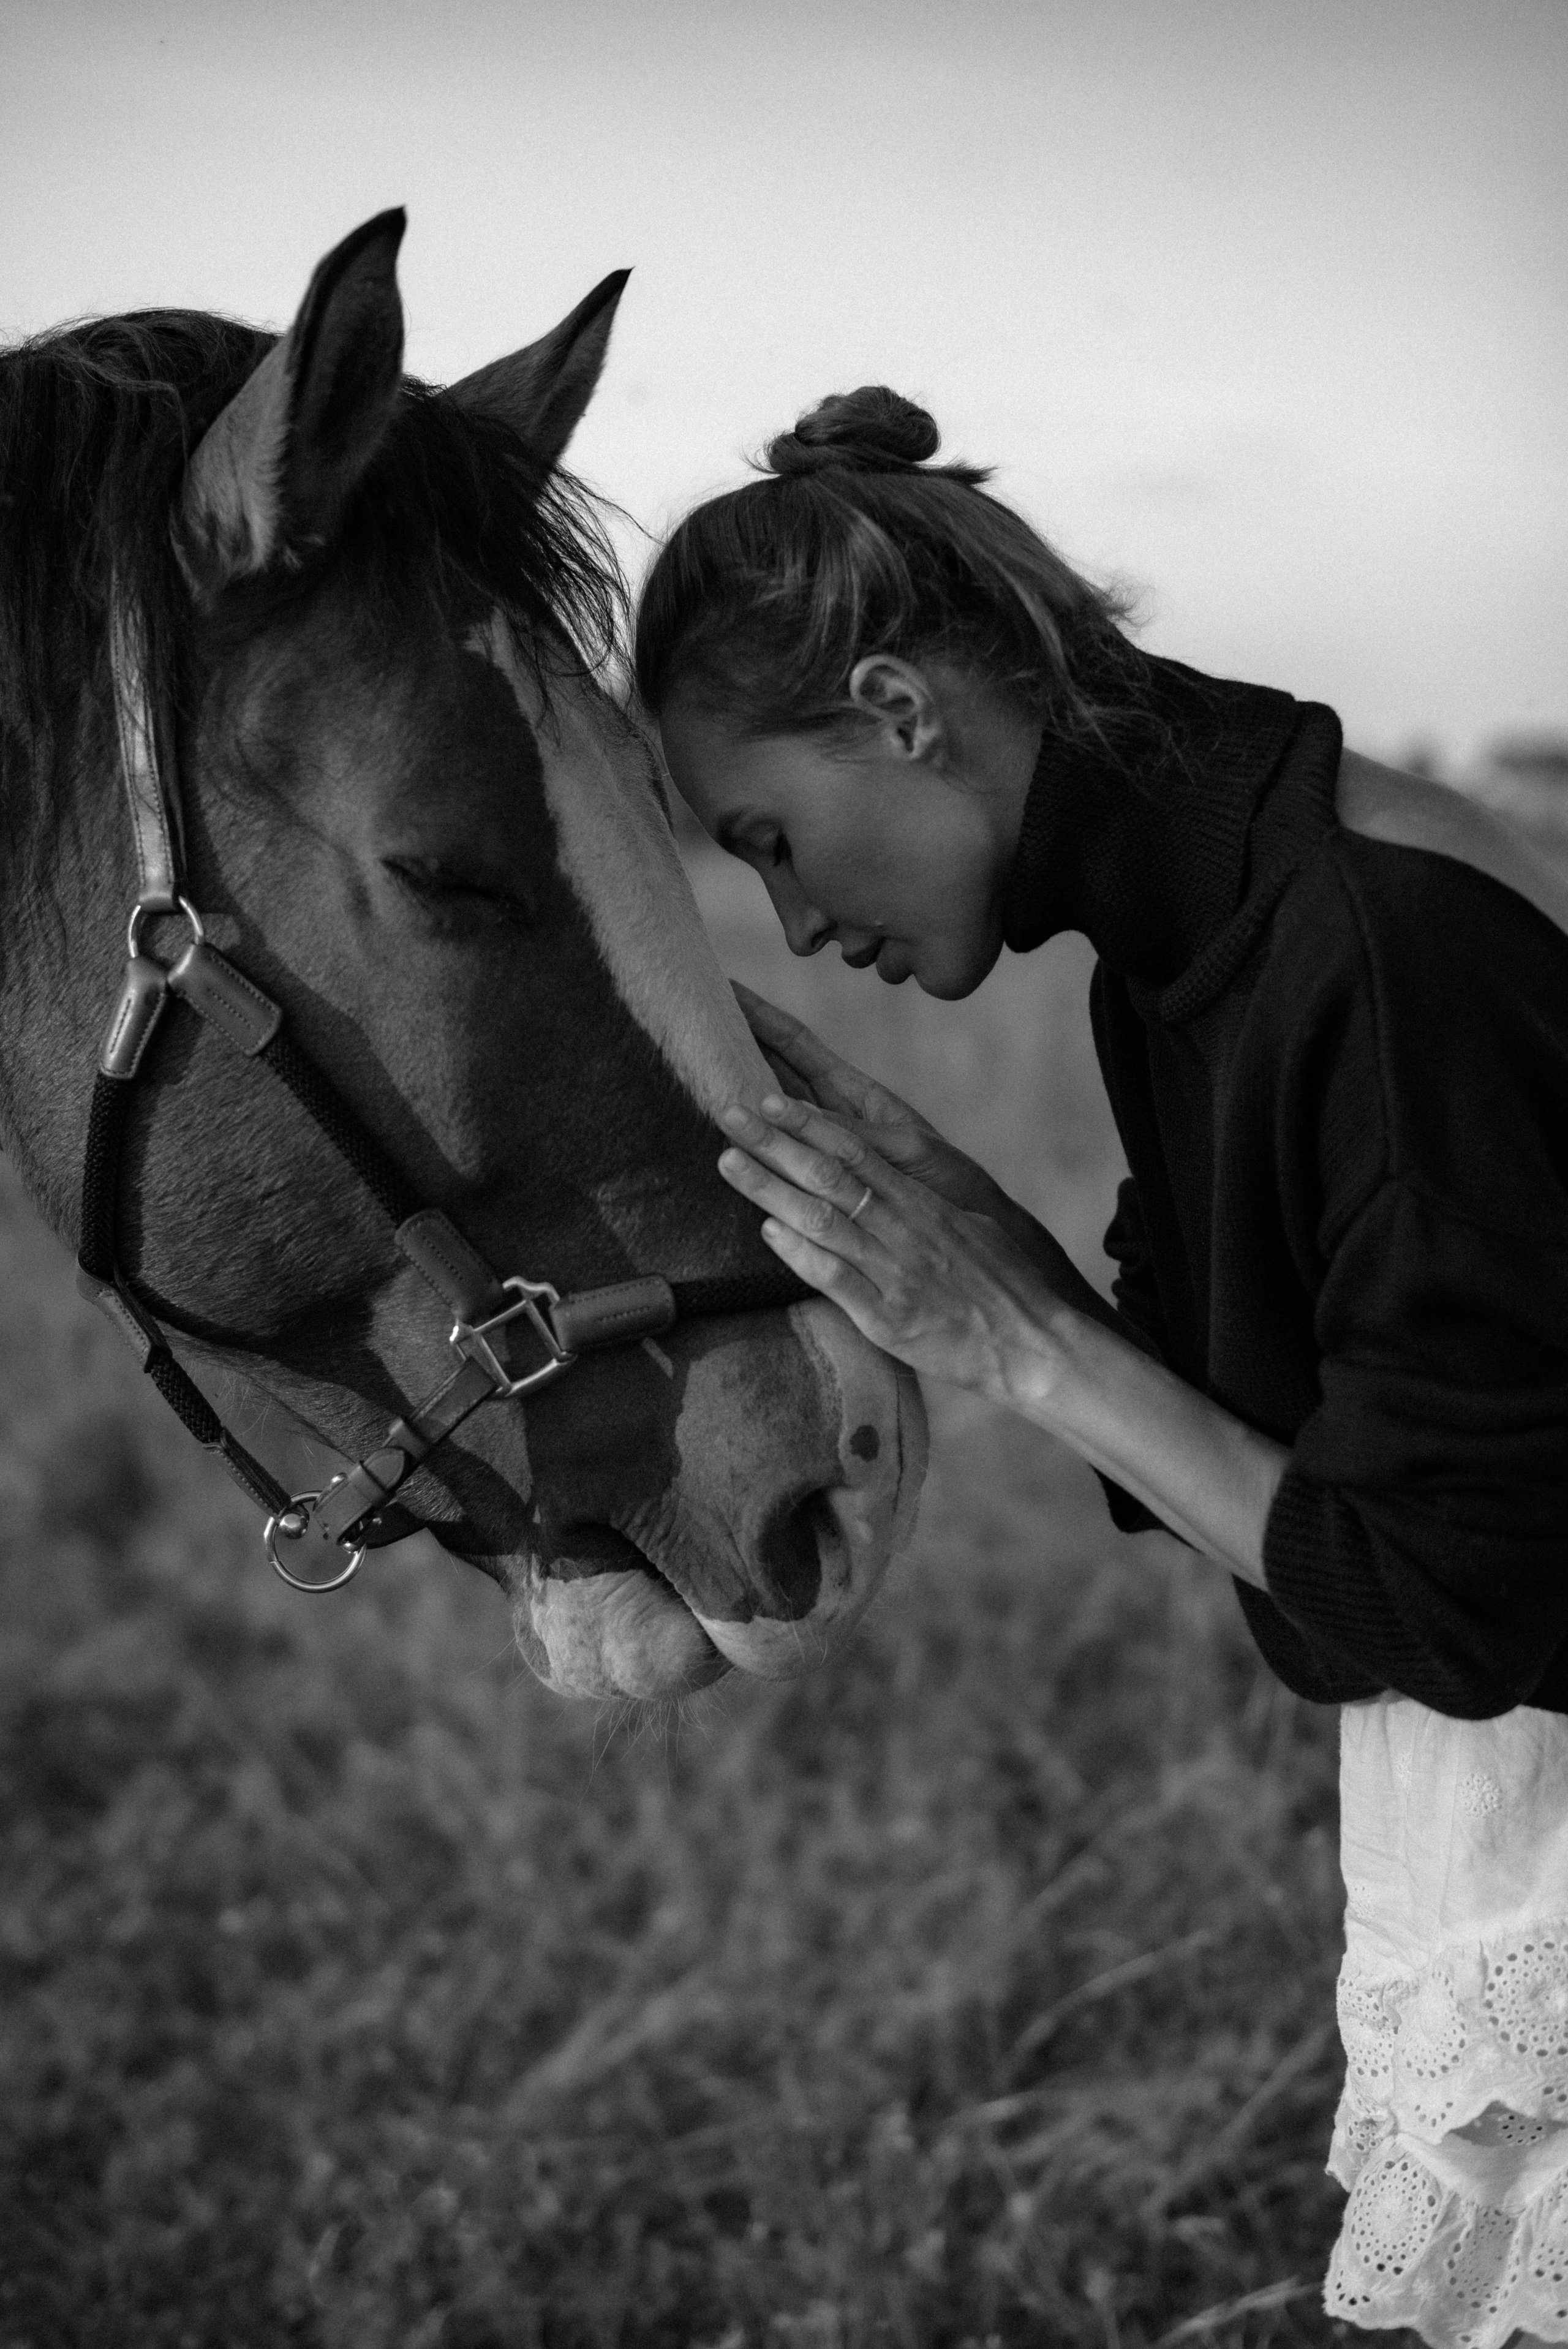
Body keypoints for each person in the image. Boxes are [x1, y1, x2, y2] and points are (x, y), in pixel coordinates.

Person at [632, 385, 1568, 2348]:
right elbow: (1270, 1446)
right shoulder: (1198, 909)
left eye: (773, 842)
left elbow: (1456, 1598)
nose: (796, 922)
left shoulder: (1372, 943)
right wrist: (993, 1248)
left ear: (899, 708)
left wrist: (1024, 1339)